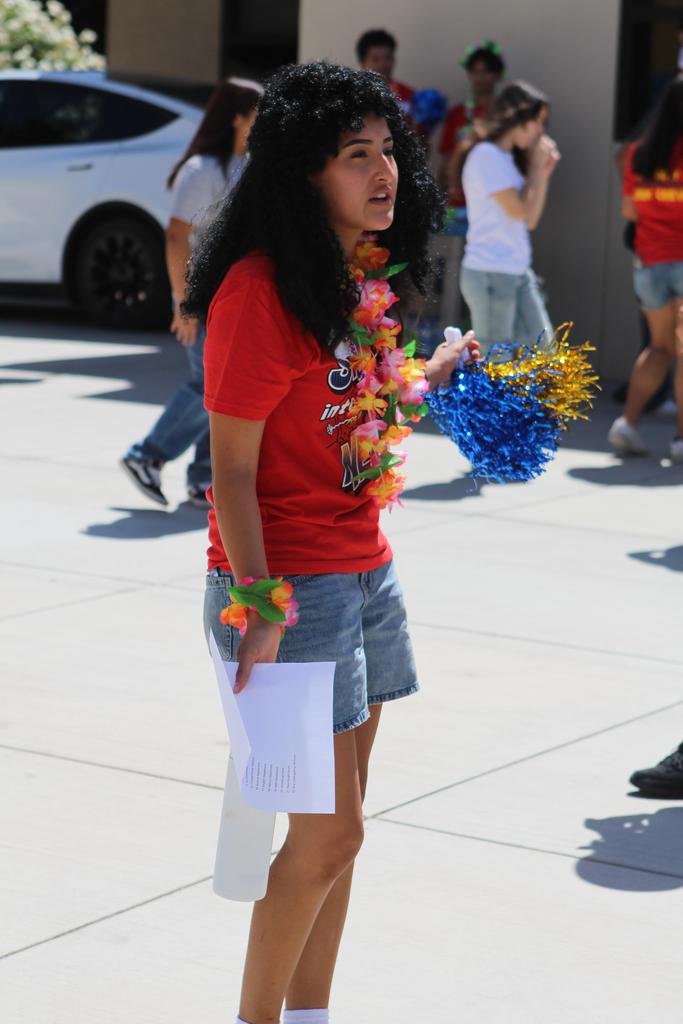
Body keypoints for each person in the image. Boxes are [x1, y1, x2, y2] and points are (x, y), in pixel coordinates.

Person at [184, 62, 478, 1024]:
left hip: (364, 572)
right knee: (326, 837)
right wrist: (259, 605)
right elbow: (230, 471)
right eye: (356, 155)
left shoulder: (355, 276)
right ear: (303, 172)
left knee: (339, 840)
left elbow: (359, 413)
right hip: (287, 590)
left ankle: (309, 1014)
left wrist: (430, 371)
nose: (383, 171)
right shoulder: (259, 293)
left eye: (387, 150)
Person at [120, 77, 262, 508]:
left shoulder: (246, 164)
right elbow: (176, 236)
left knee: (223, 389)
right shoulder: (202, 170)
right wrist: (184, 303)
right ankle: (146, 456)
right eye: (259, 113)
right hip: (200, 297)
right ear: (238, 117)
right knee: (209, 387)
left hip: (231, 297)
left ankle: (203, 480)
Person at [608, 81, 683, 460]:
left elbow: (629, 211)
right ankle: (681, 440)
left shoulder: (640, 154)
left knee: (660, 347)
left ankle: (628, 424)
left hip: (649, 263)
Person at [459, 81, 560, 354]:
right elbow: (519, 211)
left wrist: (542, 173)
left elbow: (530, 221)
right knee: (496, 359)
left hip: (516, 270)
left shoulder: (506, 158)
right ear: (518, 117)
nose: (541, 131)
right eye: (538, 121)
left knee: (545, 352)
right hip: (490, 272)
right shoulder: (486, 155)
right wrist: (536, 168)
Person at [438, 40, 505, 208]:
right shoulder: (456, 113)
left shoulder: (506, 114)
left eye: (486, 71)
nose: (480, 78)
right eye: (475, 71)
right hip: (457, 204)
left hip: (496, 204)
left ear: (498, 75)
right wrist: (439, 198)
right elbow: (446, 159)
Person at [356, 28, 415, 121]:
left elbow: (419, 129)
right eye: (375, 59)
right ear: (362, 63)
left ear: (393, 59)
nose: (382, 64)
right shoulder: (354, 97)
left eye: (387, 57)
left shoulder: (409, 96)